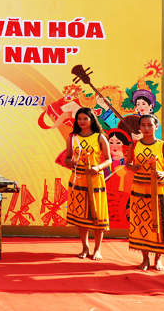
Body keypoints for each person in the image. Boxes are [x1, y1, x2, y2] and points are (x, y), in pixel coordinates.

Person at [125, 114, 164, 270]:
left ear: (156, 126)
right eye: (143, 125)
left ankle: (158, 258)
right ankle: (145, 258)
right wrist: (131, 166)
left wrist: (163, 173)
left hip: (159, 187)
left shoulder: (163, 146)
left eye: (150, 125)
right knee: (141, 222)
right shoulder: (133, 145)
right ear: (139, 127)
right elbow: (127, 163)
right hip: (140, 187)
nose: (146, 128)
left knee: (159, 222)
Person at [64, 107, 112, 260]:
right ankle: (85, 247)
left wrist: (97, 167)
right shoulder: (72, 138)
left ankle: (97, 249)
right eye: (79, 119)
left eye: (85, 118)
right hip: (78, 180)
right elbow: (67, 158)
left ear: (92, 120)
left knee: (96, 215)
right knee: (81, 216)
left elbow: (108, 159)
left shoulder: (99, 137)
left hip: (96, 179)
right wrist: (71, 163)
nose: (82, 121)